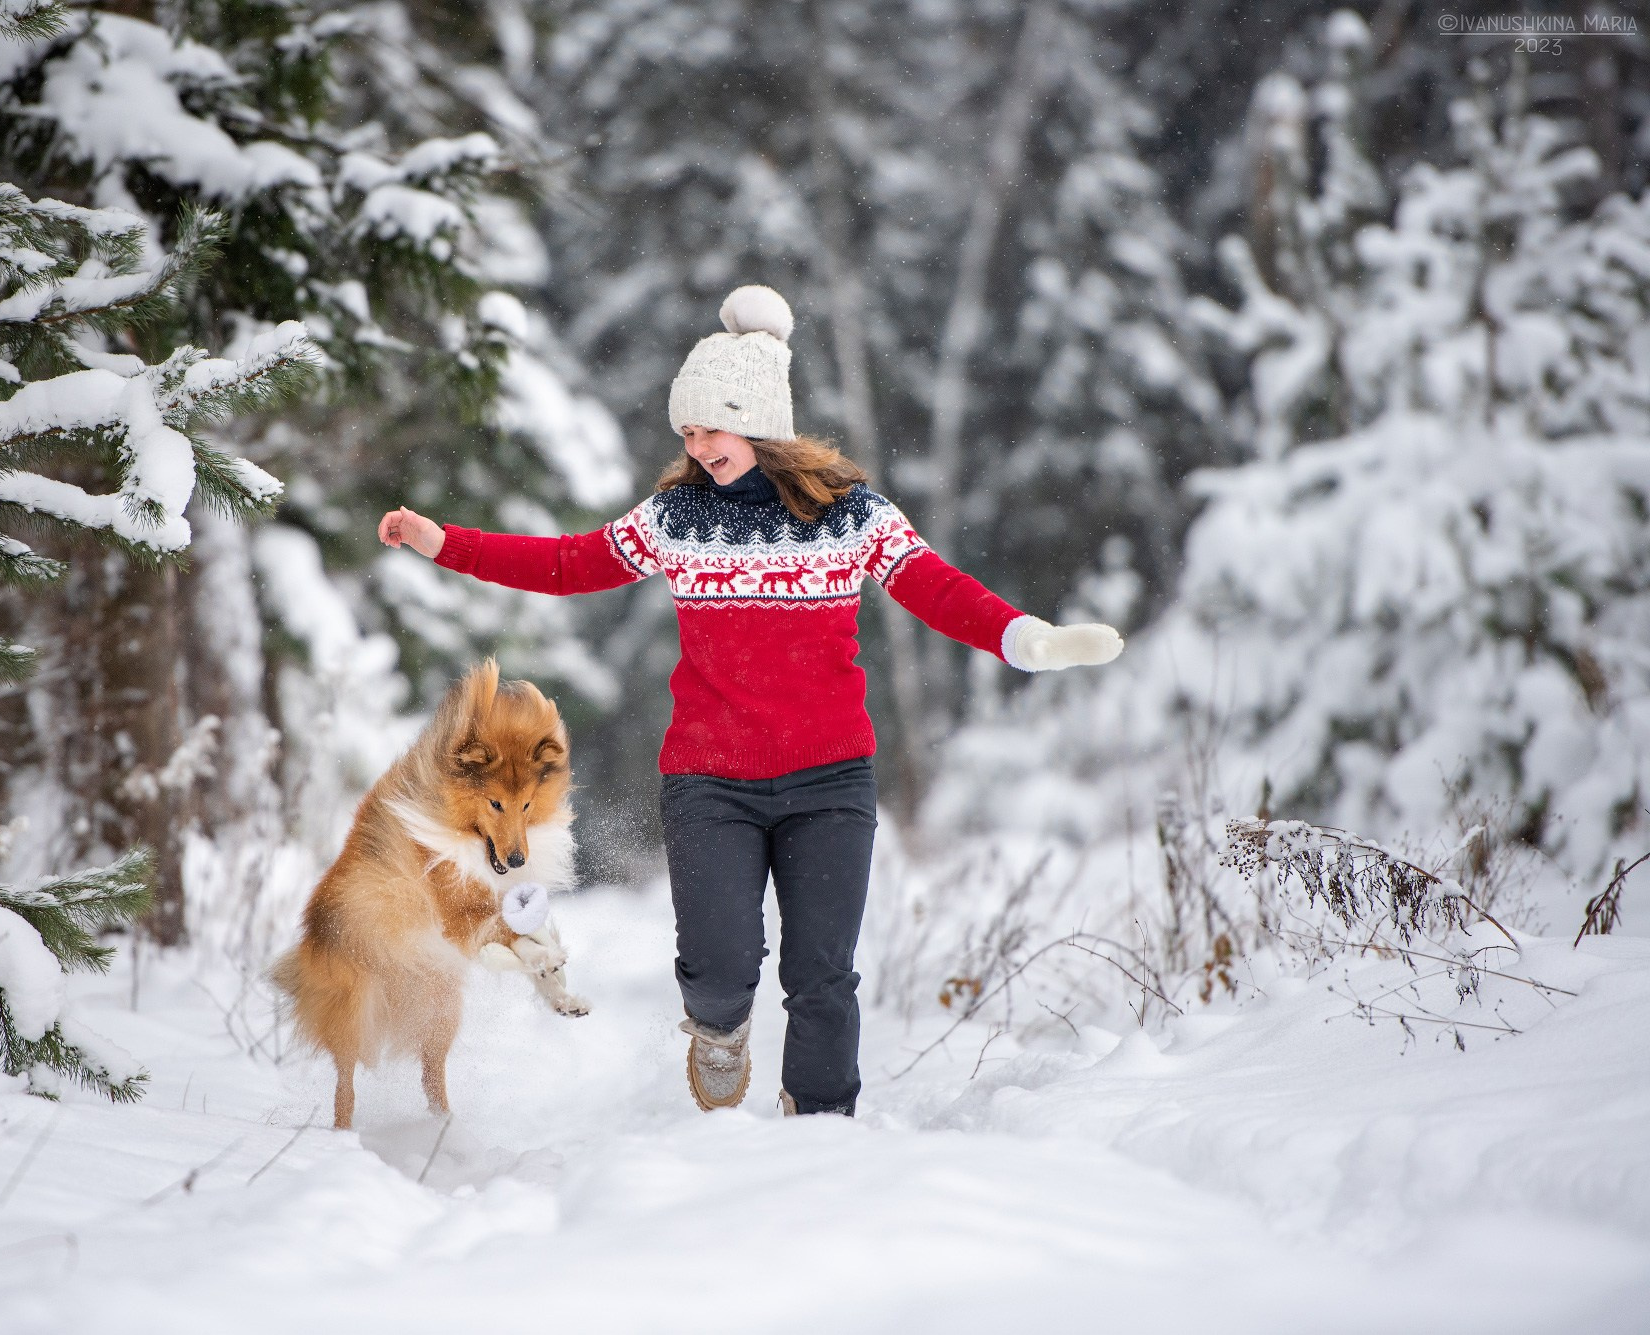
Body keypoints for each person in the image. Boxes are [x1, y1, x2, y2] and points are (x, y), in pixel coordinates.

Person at [377, 285, 1123, 1117]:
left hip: (831, 779)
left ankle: (822, 1129)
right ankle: (720, 1030)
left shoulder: (853, 517)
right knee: (721, 966)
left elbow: (938, 590)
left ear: (761, 419)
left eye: (711, 428)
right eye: (686, 433)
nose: (698, 447)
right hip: (711, 780)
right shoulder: (677, 518)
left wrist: (1026, 638)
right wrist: (443, 542)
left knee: (822, 974)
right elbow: (566, 564)